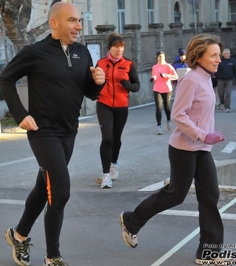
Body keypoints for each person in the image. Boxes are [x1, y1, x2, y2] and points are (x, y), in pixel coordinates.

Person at [0, 2, 105, 266]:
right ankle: (53, 256)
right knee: (60, 191)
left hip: (69, 131)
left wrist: (98, 83)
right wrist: (21, 114)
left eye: (79, 20)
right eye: (72, 21)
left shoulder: (82, 53)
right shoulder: (35, 52)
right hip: (42, 132)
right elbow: (6, 79)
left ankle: (19, 235)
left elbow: (89, 92)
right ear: (54, 23)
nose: (79, 26)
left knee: (42, 187)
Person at [119, 33, 228, 265]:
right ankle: (131, 221)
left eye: (219, 54)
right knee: (176, 195)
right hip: (184, 148)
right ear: (198, 56)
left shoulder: (207, 78)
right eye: (214, 55)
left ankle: (209, 253)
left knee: (210, 196)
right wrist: (203, 134)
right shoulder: (191, 80)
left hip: (202, 149)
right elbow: (178, 115)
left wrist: (208, 135)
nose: (219, 59)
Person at [95, 33, 140, 189]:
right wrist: (96, 90)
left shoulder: (128, 64)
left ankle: (114, 163)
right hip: (104, 104)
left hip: (121, 106)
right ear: (110, 48)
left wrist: (125, 83)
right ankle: (106, 174)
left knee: (116, 138)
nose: (119, 49)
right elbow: (93, 82)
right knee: (107, 138)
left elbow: (137, 86)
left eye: (121, 46)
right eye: (116, 46)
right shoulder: (100, 63)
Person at [150, 51, 178, 135]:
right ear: (157, 57)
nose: (161, 58)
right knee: (158, 108)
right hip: (157, 89)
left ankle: (168, 120)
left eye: (162, 56)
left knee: (167, 107)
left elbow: (176, 76)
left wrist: (166, 75)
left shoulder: (168, 66)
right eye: (160, 56)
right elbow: (154, 75)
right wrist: (153, 78)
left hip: (167, 89)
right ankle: (159, 126)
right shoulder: (154, 67)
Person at [215, 48, 236, 113]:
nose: (229, 55)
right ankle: (222, 103)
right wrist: (216, 76)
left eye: (229, 53)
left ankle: (227, 107)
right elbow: (215, 69)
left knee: (228, 93)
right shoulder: (219, 60)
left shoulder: (232, 60)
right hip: (221, 80)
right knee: (221, 93)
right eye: (227, 53)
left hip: (229, 80)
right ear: (224, 54)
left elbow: (235, 70)